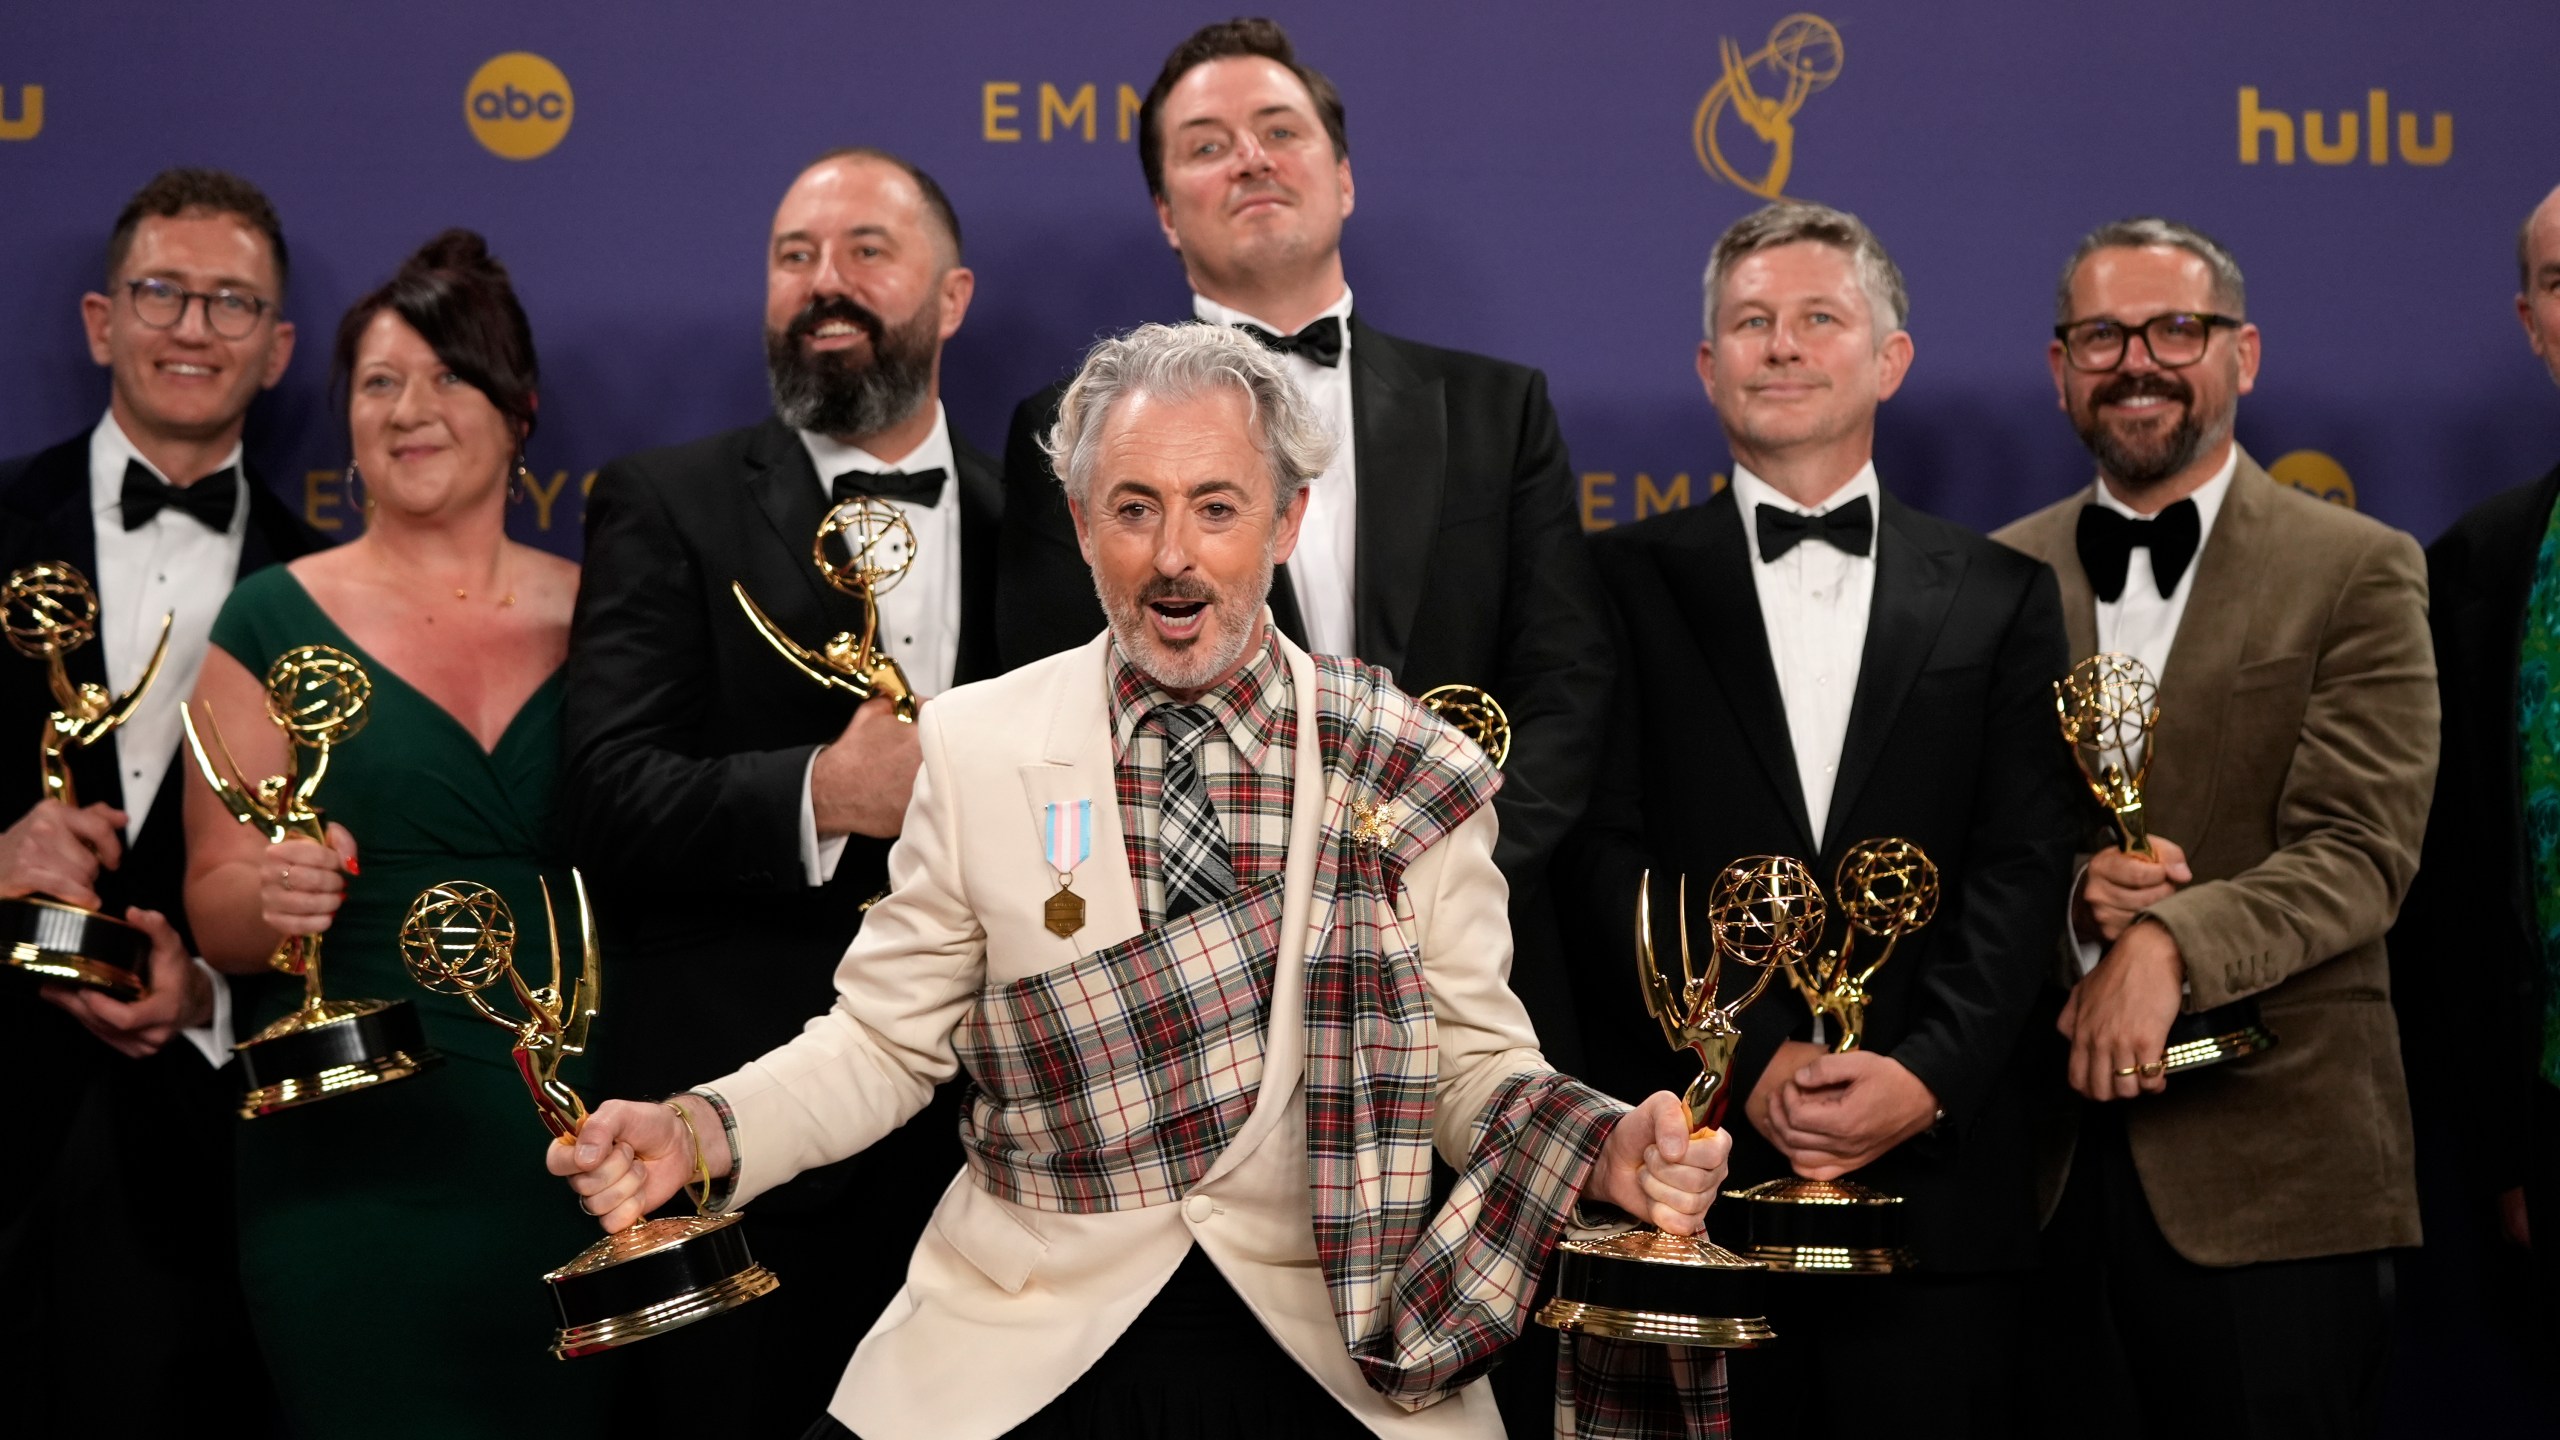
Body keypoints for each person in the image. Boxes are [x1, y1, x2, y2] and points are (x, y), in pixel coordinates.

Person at [547, 322, 1728, 1440]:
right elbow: (883, 1045)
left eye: (1216, 507)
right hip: (1017, 1332)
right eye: (1133, 508)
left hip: (1333, 1331)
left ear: (1285, 520)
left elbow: (1467, 1066)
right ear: (1078, 523)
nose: (1173, 556)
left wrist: (1603, 1149)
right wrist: (701, 1131)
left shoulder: (1403, 758)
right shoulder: (975, 743)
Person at [993, 17, 1611, 1084]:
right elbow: (1070, 711)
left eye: (1280, 131)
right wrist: (1263, 921)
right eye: (1207, 144)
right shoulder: (1071, 429)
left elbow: (1567, 684)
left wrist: (1430, 881)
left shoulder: (1498, 410)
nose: (1250, 158)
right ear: (1165, 213)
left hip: (1471, 974)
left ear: (1344, 177)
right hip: (1197, 997)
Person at [1559, 202, 2079, 1438]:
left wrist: (1925, 1075)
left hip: (1937, 1201)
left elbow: (2022, 866)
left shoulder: (2003, 593)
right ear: (1707, 365)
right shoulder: (1612, 582)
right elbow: (1596, 856)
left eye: (1817, 319)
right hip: (1689, 1190)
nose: (1782, 345)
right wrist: (1744, 1059)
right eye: (1751, 322)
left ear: (1890, 360)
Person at [557, 146, 996, 1436]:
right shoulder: (666, 502)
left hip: (1002, 1159)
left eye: (866, 250)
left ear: (952, 297)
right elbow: (600, 797)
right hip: (734, 1144)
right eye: (794, 257)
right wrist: (822, 791)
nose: (823, 282)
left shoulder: (1048, 516)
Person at [1995, 218, 2435, 1437]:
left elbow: (2362, 850)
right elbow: (1969, 848)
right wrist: (2071, 900)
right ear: (2060, 367)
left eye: (2175, 330)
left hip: (2279, 1179)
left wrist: (2169, 942)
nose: (2136, 361)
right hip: (2039, 1182)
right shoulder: (1994, 576)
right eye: (2102, 336)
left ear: (2242, 353)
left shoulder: (2359, 567)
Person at [181, 230, 599, 1439]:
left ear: (518, 410)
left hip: (587, 1151)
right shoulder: (269, 616)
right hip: (350, 1168)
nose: (412, 410)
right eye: (379, 382)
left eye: (448, 375)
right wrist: (271, 895)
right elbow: (215, 905)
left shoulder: (610, 611)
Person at [0, 167, 321, 1437]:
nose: (194, 328)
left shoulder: (327, 594)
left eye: (231, 303)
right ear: (101, 321)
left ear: (278, 347)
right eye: (161, 294)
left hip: (200, 1150)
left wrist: (208, 999)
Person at [2400, 181, 2560, 1348]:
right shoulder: (2478, 561)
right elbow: (2452, 885)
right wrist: (2507, 1149)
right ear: (2530, 322)